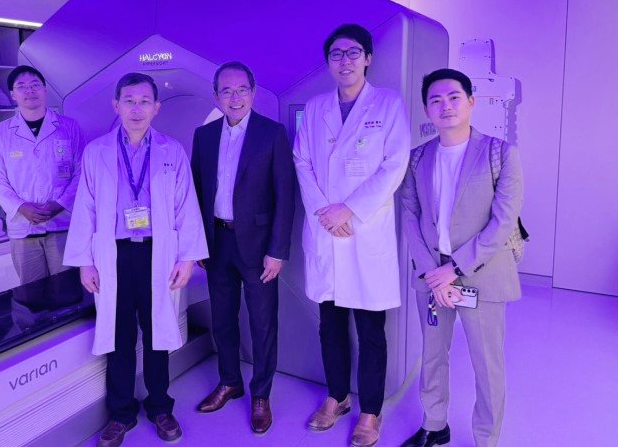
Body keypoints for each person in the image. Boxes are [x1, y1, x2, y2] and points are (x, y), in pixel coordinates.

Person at [63, 73, 208, 447]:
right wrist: (85, 262)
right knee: (119, 335)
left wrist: (187, 258)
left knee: (158, 332)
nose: (137, 108)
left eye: (145, 101)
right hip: (113, 255)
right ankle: (121, 413)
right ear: (116, 105)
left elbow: (185, 206)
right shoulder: (96, 152)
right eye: (129, 100)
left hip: (158, 254)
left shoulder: (172, 151)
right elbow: (85, 208)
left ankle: (160, 407)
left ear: (156, 107)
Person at [292, 24, 410, 446]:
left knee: (371, 330)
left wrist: (349, 210)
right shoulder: (316, 107)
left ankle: (370, 412)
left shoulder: (388, 104)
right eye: (336, 54)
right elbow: (301, 161)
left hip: (364, 230)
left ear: (368, 59)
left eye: (353, 52)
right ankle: (337, 397)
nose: (345, 61)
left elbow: (394, 164)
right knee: (330, 325)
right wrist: (326, 213)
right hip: (326, 229)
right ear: (329, 62)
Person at [399, 69, 523, 447]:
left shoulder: (500, 153)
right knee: (432, 356)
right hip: (432, 277)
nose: (446, 106)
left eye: (454, 97)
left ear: (471, 101)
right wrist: (432, 272)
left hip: (481, 275)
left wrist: (453, 269)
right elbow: (409, 215)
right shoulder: (417, 158)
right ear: (427, 110)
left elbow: (503, 221)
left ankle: (486, 438)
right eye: (435, 100)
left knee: (487, 364)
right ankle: (435, 424)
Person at [190, 62, 295, 433]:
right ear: (216, 96)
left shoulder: (272, 133)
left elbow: (286, 196)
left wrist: (277, 250)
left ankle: (261, 394)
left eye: (241, 90)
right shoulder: (204, 136)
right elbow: (196, 193)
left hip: (258, 247)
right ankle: (230, 381)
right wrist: (197, 243)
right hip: (217, 242)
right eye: (226, 91)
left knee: (263, 323)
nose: (234, 97)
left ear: (253, 92)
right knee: (222, 319)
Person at [0, 65, 85, 284]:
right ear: (13, 94)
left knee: (67, 290)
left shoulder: (68, 127)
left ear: (45, 90)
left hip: (62, 224)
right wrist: (20, 206)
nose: (29, 90)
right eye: (21, 86)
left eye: (35, 85)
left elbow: (82, 171)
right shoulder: (1, 133)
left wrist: (60, 204)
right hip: (23, 228)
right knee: (31, 293)